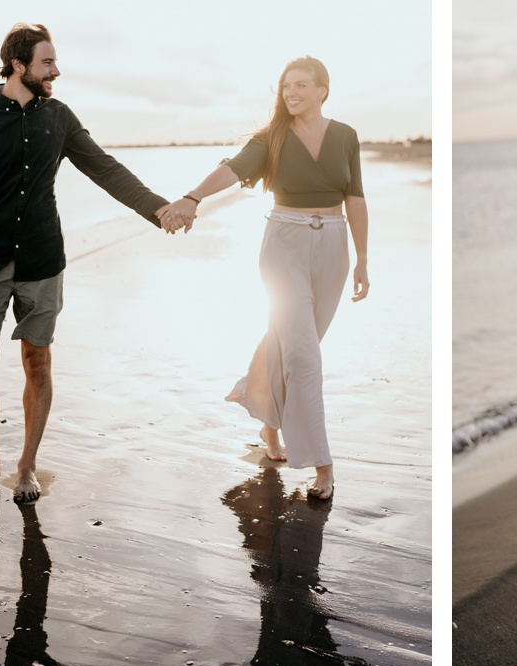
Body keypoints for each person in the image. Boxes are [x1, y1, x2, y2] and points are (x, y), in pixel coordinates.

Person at [0, 23, 170, 503]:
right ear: (18, 64)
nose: (56, 70)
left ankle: (27, 466)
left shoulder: (58, 116)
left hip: (42, 259)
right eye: (47, 62)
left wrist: (157, 209)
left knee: (38, 362)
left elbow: (104, 168)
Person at [157, 56, 369, 501]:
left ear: (322, 90)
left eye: (301, 85)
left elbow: (356, 199)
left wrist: (363, 258)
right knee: (305, 357)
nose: (291, 93)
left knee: (288, 343)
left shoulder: (346, 136)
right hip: (283, 247)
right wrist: (193, 196)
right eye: (286, 86)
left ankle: (269, 427)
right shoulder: (270, 138)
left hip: (334, 247)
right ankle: (322, 466)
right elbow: (233, 169)